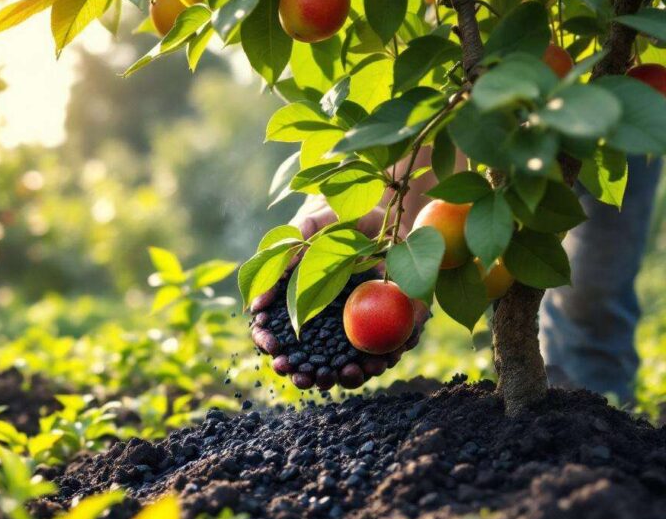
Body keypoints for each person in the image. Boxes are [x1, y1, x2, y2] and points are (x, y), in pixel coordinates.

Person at [264, 150, 661, 400]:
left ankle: (598, 425)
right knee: (498, 269)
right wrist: (383, 209)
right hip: (476, 97)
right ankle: (540, 405)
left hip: (612, 89)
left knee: (595, 293)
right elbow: (434, 105)